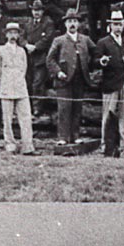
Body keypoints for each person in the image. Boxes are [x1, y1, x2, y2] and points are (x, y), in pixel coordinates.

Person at [46, 10, 96, 145]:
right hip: (64, 80)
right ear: (65, 24)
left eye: (74, 21)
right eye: (69, 21)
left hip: (80, 79)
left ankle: (75, 135)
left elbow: (96, 52)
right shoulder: (59, 40)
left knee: (77, 108)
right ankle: (63, 137)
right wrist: (58, 72)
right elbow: (50, 59)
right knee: (64, 108)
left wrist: (90, 66)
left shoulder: (85, 39)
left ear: (78, 24)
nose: (72, 24)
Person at [94, 9, 124, 154]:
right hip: (110, 82)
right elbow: (94, 60)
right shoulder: (103, 42)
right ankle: (106, 144)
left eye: (120, 24)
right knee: (109, 112)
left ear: (123, 26)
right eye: (115, 24)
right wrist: (102, 61)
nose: (118, 27)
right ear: (110, 26)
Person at [0, 21, 36, 155]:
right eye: (10, 33)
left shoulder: (22, 51)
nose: (12, 35)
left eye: (15, 33)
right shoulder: (0, 51)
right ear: (6, 35)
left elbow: (24, 69)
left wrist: (19, 81)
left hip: (21, 88)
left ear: (18, 35)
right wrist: (2, 86)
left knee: (26, 117)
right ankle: (10, 144)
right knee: (7, 119)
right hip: (6, 88)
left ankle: (27, 146)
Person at [22, 0, 56, 115]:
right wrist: (26, 45)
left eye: (39, 10)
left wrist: (36, 47)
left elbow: (48, 38)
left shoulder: (48, 22)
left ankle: (37, 107)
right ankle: (28, 107)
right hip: (28, 58)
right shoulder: (28, 23)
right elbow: (21, 36)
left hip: (41, 57)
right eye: (34, 10)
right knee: (28, 82)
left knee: (38, 83)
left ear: (42, 11)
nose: (36, 13)